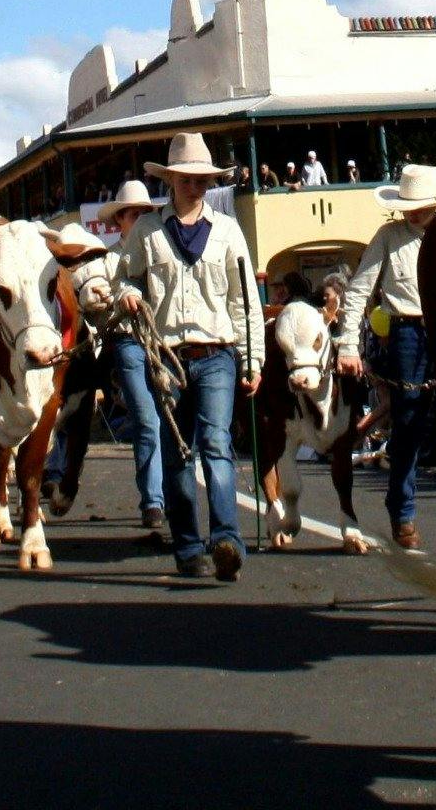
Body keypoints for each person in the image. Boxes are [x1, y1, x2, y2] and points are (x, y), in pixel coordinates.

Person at [114, 134, 260, 580]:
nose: (195, 186)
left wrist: (253, 360)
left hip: (217, 353)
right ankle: (188, 549)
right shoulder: (147, 230)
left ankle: (227, 540)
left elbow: (245, 299)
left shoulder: (228, 230)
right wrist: (127, 296)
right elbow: (126, 278)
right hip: (167, 358)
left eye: (203, 180)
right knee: (179, 453)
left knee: (216, 443)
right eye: (188, 179)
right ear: (172, 179)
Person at [336, 164, 436, 552]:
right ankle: (402, 512)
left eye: (418, 206)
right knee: (409, 425)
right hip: (407, 332)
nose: (410, 212)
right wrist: (348, 344)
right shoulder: (388, 236)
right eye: (407, 206)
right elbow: (360, 289)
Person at [67, 180, 165, 536]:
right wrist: (106, 307)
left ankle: (168, 494)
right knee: (147, 418)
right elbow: (92, 312)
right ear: (119, 221)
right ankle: (153, 500)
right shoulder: (106, 263)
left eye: (143, 213)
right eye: (132, 214)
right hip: (126, 345)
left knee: (173, 421)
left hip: (166, 345)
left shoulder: (163, 253)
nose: (138, 219)